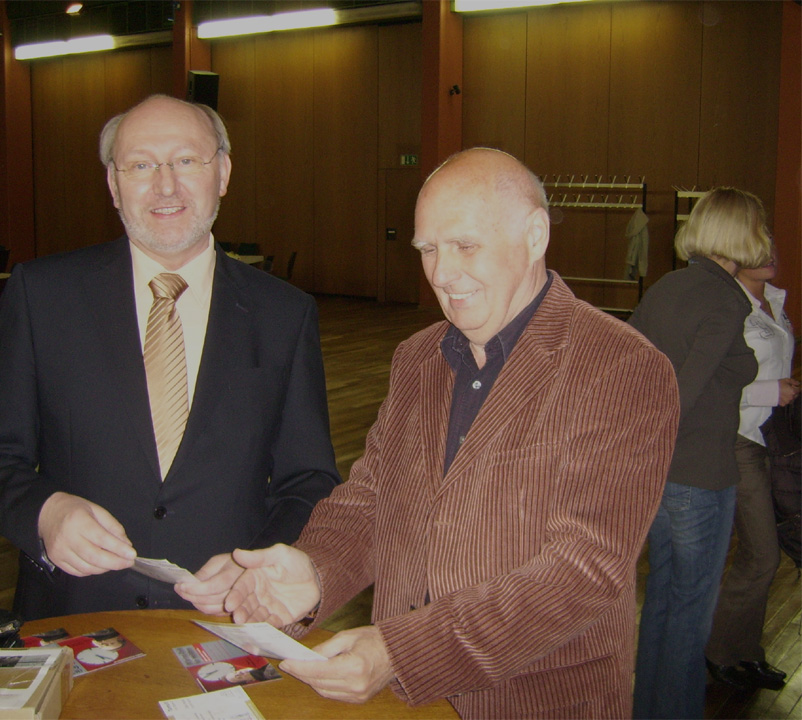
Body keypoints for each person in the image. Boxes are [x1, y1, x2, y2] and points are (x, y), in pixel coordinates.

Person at [207, 148, 680, 719]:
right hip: (408, 704)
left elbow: (583, 571)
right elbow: (372, 499)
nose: (441, 272)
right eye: (428, 249)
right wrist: (312, 569)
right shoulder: (418, 357)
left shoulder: (619, 365)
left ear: (534, 235)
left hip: (536, 703)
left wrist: (403, 651)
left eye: (465, 245)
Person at [0, 94, 340, 620]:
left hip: (224, 616)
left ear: (223, 173)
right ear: (114, 185)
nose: (165, 185)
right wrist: (45, 513)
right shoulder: (43, 296)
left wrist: (258, 562)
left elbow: (309, 479)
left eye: (186, 161)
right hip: (73, 614)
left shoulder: (285, 314)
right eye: (140, 165)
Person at [629, 187, 774, 719]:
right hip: (701, 478)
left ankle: (649, 709)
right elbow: (681, 398)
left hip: (662, 476)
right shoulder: (723, 299)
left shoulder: (669, 286)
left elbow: (637, 367)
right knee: (690, 616)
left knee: (664, 604)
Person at [704, 248, 799, 691]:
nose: (769, 253)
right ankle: (719, 651)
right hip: (740, 439)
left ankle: (747, 652)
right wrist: (769, 391)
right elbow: (711, 383)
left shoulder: (773, 303)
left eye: (769, 243)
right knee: (762, 554)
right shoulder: (728, 306)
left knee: (762, 554)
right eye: (754, 246)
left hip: (771, 442)